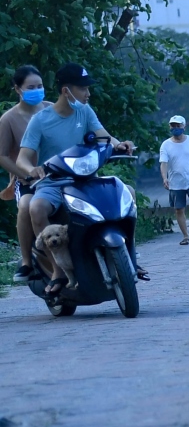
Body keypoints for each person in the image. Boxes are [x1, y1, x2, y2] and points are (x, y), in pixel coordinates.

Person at [15, 64, 134, 296]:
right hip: (52, 183)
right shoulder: (40, 120)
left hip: (85, 179)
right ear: (65, 91)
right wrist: (33, 169)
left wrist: (118, 144)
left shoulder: (85, 112)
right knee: (36, 207)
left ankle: (129, 255)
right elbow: (22, 158)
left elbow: (104, 136)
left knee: (126, 191)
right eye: (82, 88)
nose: (87, 93)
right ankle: (57, 271)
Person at [0, 66, 53, 283]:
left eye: (40, 86)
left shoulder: (53, 110)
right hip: (27, 181)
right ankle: (26, 262)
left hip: (59, 175)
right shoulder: (8, 119)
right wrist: (25, 175)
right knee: (25, 206)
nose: (37, 91)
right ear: (17, 90)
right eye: (31, 87)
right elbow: (3, 156)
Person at [159, 115, 189, 245]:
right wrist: (165, 178)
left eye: (178, 125)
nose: (175, 128)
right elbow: (163, 163)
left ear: (184, 126)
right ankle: (186, 236)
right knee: (179, 209)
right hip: (176, 182)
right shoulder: (166, 145)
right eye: (173, 126)